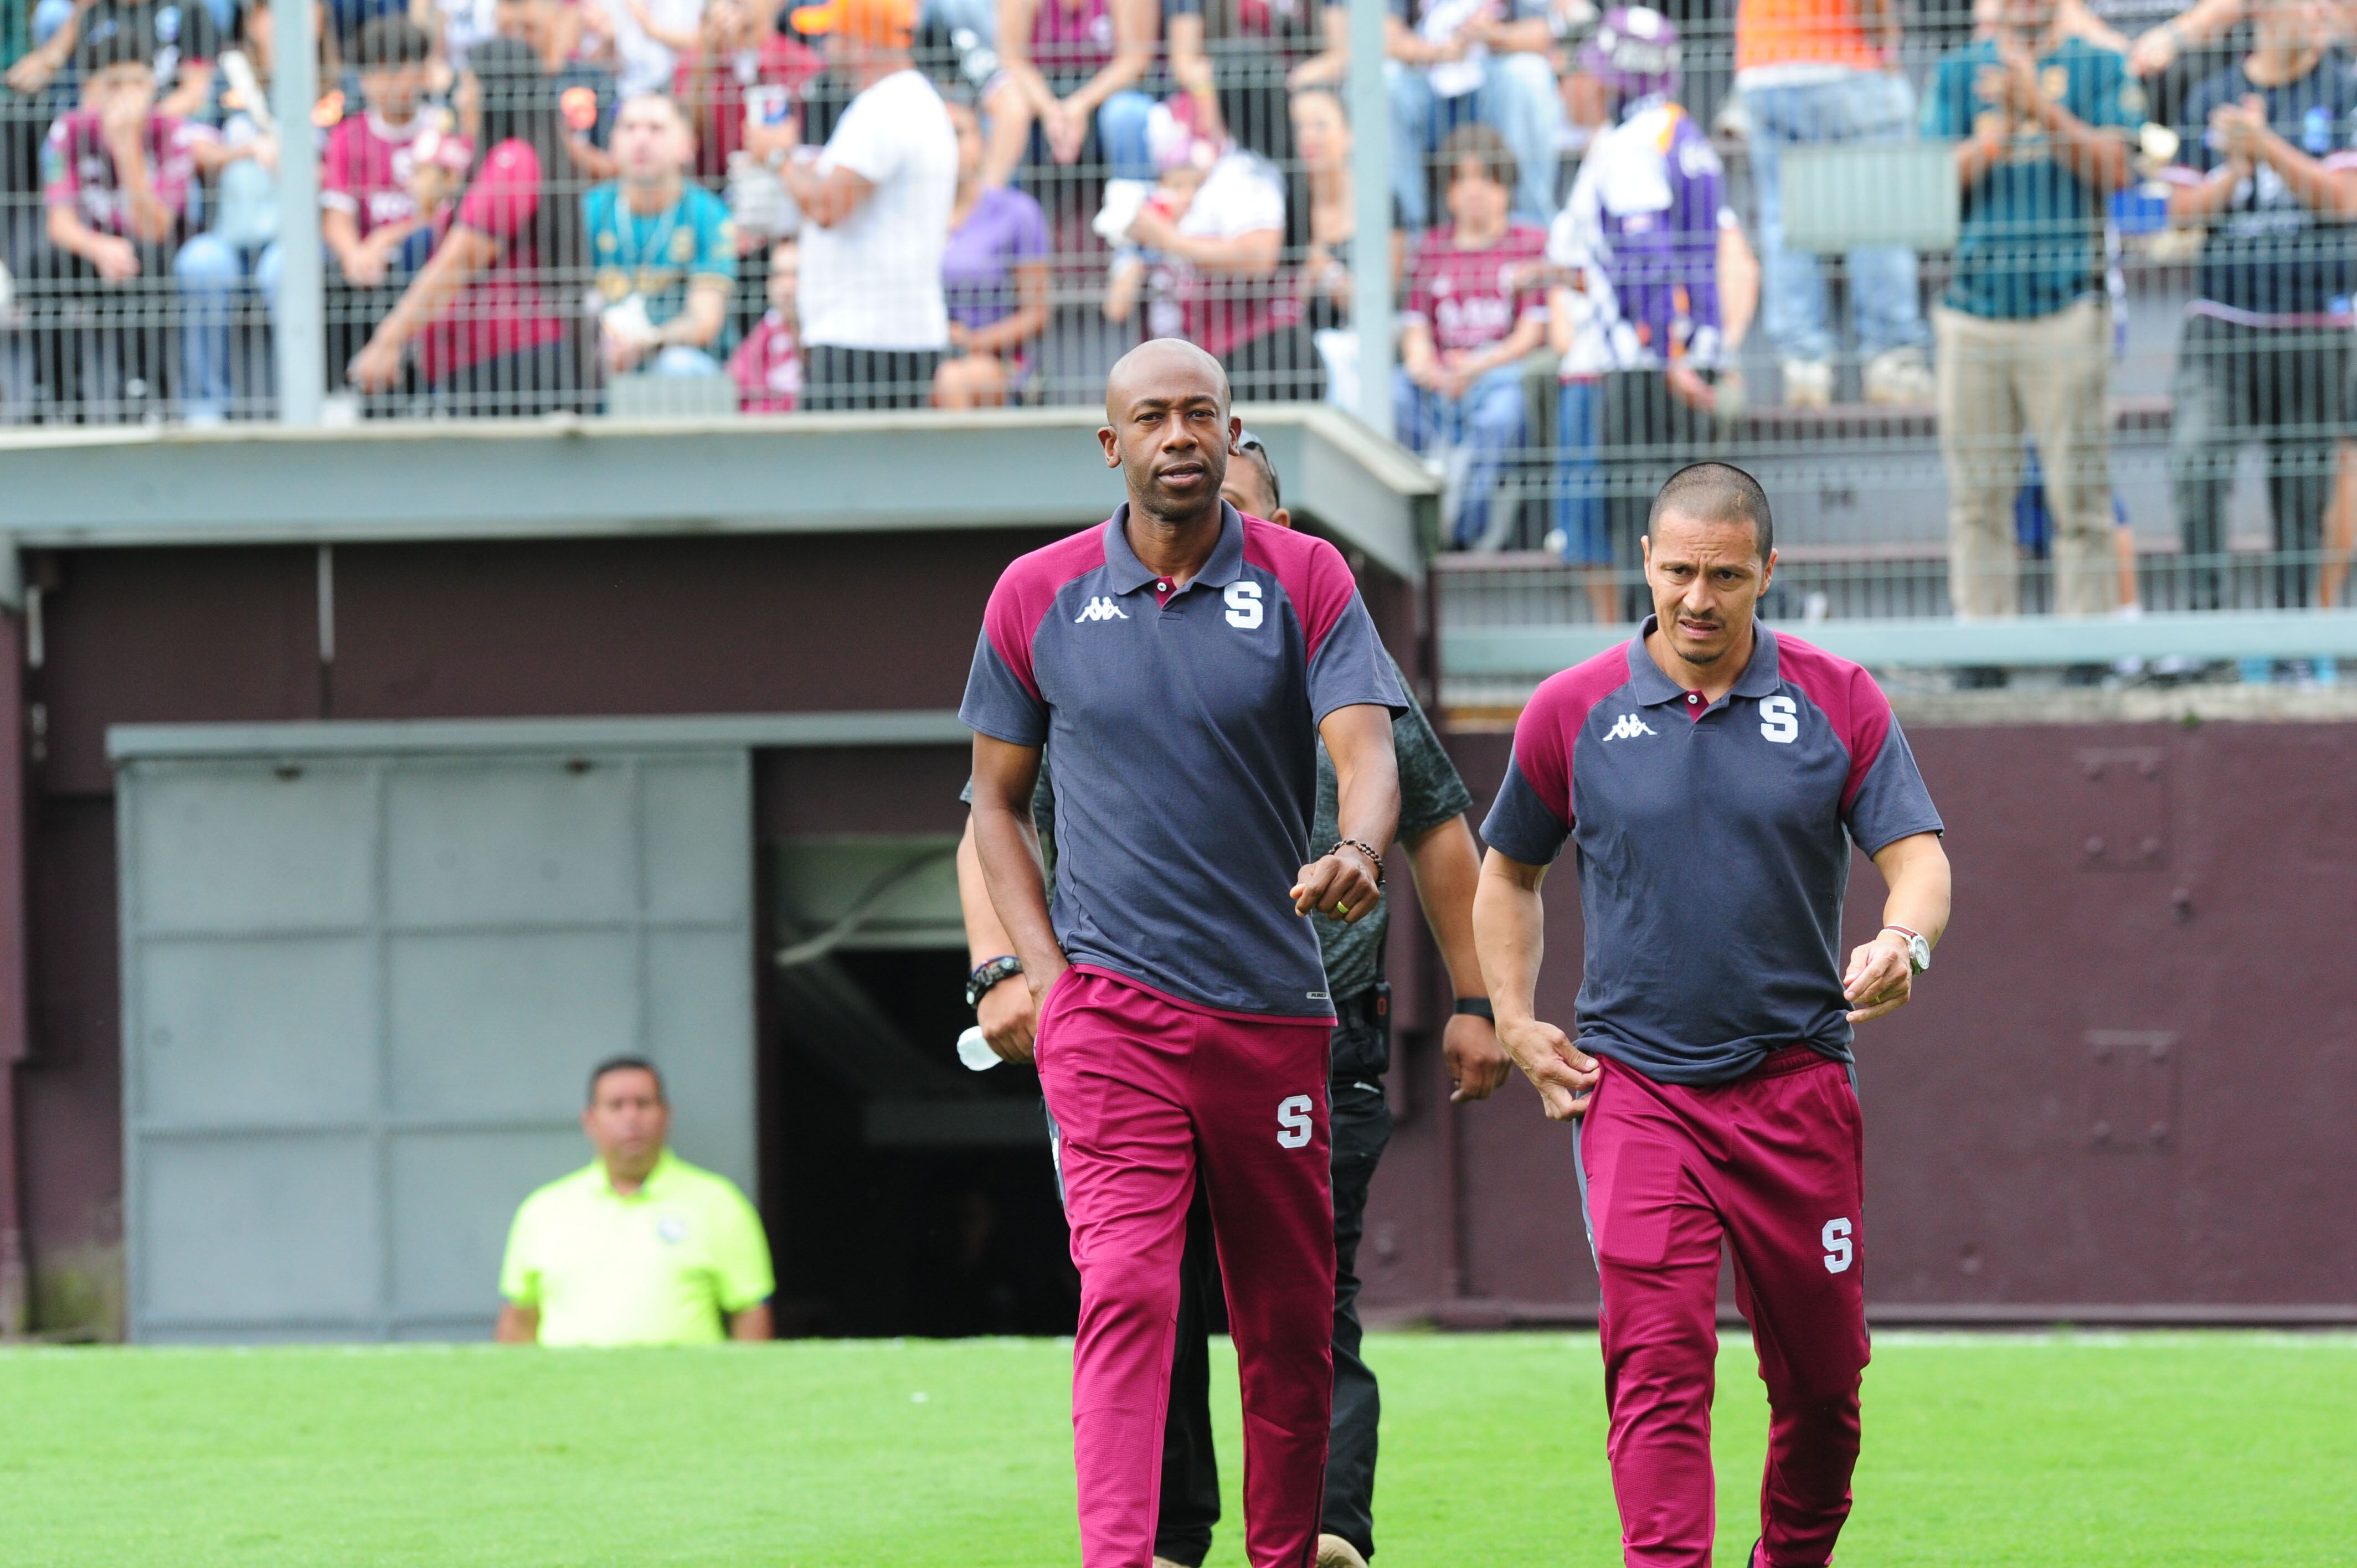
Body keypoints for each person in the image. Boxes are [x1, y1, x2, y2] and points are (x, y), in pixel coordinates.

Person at [954, 432, 1508, 1568]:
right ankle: (1156, 1541)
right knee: (1136, 1283)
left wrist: (1479, 998)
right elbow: (991, 813)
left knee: (1307, 1300)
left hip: (1307, 1027)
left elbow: (1434, 825)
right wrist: (1010, 972)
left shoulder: (1324, 631)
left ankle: (1319, 1536)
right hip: (1118, 1020)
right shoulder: (1081, 628)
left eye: (1253, 520)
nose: (1229, 544)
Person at [1471, 461, 1952, 1568]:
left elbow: (1917, 858)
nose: (1698, 597)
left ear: (1766, 573)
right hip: (1637, 1095)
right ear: (1644, 563)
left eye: (1725, 575)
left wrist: (1901, 938)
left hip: (1795, 1088)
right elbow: (1506, 873)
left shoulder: (1839, 699)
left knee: (1827, 1390)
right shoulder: (1569, 711)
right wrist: (1512, 1016)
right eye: (1679, 571)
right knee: (1655, 1371)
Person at [1922, 0, 2138, 618]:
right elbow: (1925, 182)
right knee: (1976, 499)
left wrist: (2038, 110)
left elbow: (2119, 170)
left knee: (2080, 494)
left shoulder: (2098, 65)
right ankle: (1982, 647)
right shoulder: (1957, 71)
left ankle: (2089, 648)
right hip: (1972, 309)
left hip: (2065, 308)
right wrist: (1994, 136)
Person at [1548, 8, 1749, 617]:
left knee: (1653, 526)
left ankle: (1663, 675)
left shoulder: (1631, 145)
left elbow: (1648, 258)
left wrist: (1669, 355)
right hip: (1688, 352)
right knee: (1691, 522)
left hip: (1649, 365)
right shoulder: (1683, 133)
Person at [2164, 0, 2357, 610]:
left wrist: (2266, 145)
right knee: (2194, 462)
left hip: (2312, 323)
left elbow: (2344, 200)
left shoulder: (2344, 88)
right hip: (2223, 320)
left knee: (2302, 491)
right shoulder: (2212, 94)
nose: (2325, 12)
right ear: (2268, 11)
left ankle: (2293, 638)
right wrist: (2234, 169)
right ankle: (2204, 627)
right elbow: (2180, 210)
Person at [346, 36, 586, 414]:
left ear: (494, 91)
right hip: (489, 367)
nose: (460, 99)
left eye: (468, 86)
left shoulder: (514, 160)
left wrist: (388, 339)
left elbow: (460, 260)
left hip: (513, 367)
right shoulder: (505, 159)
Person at [495, 1056, 776, 1346]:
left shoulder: (720, 1203)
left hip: (685, 1389)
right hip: (569, 1388)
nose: (631, 1118)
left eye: (643, 1104)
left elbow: (750, 1313)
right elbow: (519, 1320)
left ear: (665, 1115)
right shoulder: (543, 1210)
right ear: (590, 1120)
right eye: (616, 1106)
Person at [1734, 0, 1934, 406]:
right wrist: (1884, 44)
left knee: (1783, 219)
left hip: (1764, 66)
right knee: (1878, 213)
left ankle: (1804, 366)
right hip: (1845, 60)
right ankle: (1891, 360)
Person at [37, 17, 226, 415]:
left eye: (138, 83)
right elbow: (59, 222)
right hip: (92, 247)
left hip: (147, 246)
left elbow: (156, 227)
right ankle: (55, 396)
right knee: (43, 262)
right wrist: (98, 247)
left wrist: (127, 150)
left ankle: (145, 390)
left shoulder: (169, 131)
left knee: (150, 262)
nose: (128, 95)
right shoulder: (67, 131)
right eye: (114, 84)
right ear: (90, 89)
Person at [780, 0, 958, 409]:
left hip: (869, 336)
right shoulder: (899, 101)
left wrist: (779, 158)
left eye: (833, 35)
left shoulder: (888, 106)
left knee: (831, 470)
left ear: (861, 43)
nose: (822, 45)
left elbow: (828, 206)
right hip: (874, 332)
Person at [1396, 122, 1548, 551]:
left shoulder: (1530, 244)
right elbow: (1415, 328)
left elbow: (1531, 334)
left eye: (1487, 178)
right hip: (1439, 383)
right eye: (1462, 179)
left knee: (1505, 413)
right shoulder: (1431, 247)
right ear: (1447, 191)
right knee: (1395, 396)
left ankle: (1460, 533)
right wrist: (1425, 366)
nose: (1475, 191)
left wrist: (1476, 367)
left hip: (1497, 376)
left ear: (1506, 187)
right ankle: (1417, 513)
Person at [1124, 121, 1319, 400]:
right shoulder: (1243, 167)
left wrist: (1170, 239)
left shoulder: (1246, 171)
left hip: (1263, 355)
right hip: (1236, 354)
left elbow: (1258, 256)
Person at [171, 0, 284, 422]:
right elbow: (193, 145)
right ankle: (205, 408)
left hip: (298, 240)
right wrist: (246, 150)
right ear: (254, 21)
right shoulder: (228, 78)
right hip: (230, 233)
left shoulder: (332, 82)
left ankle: (296, 403)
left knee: (284, 271)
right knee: (200, 264)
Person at [319, 14, 437, 396]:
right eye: (377, 71)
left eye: (400, 69)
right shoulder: (348, 135)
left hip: (422, 263)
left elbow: (442, 213)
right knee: (331, 279)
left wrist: (386, 238)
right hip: (368, 270)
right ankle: (340, 393)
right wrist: (354, 253)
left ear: (423, 73)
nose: (389, 82)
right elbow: (337, 215)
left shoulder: (442, 129)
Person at [585, 91, 737, 379]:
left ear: (688, 146)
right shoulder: (589, 211)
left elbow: (705, 320)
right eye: (629, 128)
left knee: (677, 366)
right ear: (613, 143)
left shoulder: (708, 214)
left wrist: (647, 342)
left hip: (681, 365)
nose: (641, 140)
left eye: (656, 129)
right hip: (603, 360)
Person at [1384, 0, 1569, 229]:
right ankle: (1408, 235)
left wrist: (1490, 34)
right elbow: (1382, 36)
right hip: (1426, 86)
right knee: (1387, 81)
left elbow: (1542, 32)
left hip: (1494, 83)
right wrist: (1439, 52)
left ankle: (1531, 230)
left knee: (1528, 73)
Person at [935, 89, 1051, 407]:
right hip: (916, 356)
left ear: (982, 141)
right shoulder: (907, 216)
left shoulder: (1016, 213)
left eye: (959, 134)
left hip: (992, 360)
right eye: (936, 135)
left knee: (952, 380)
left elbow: (1037, 313)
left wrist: (972, 342)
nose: (948, 145)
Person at [976, 0, 1155, 189]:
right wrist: (1049, 109)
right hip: (1040, 99)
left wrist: (1080, 104)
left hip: (1105, 96)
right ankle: (993, 205)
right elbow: (1012, 59)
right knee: (1011, 109)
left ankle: (1134, 207)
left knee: (1127, 113)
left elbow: (1135, 60)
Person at [730, 234, 803, 408]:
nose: (787, 285)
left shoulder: (827, 335)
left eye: (796, 274)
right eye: (779, 275)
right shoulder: (762, 337)